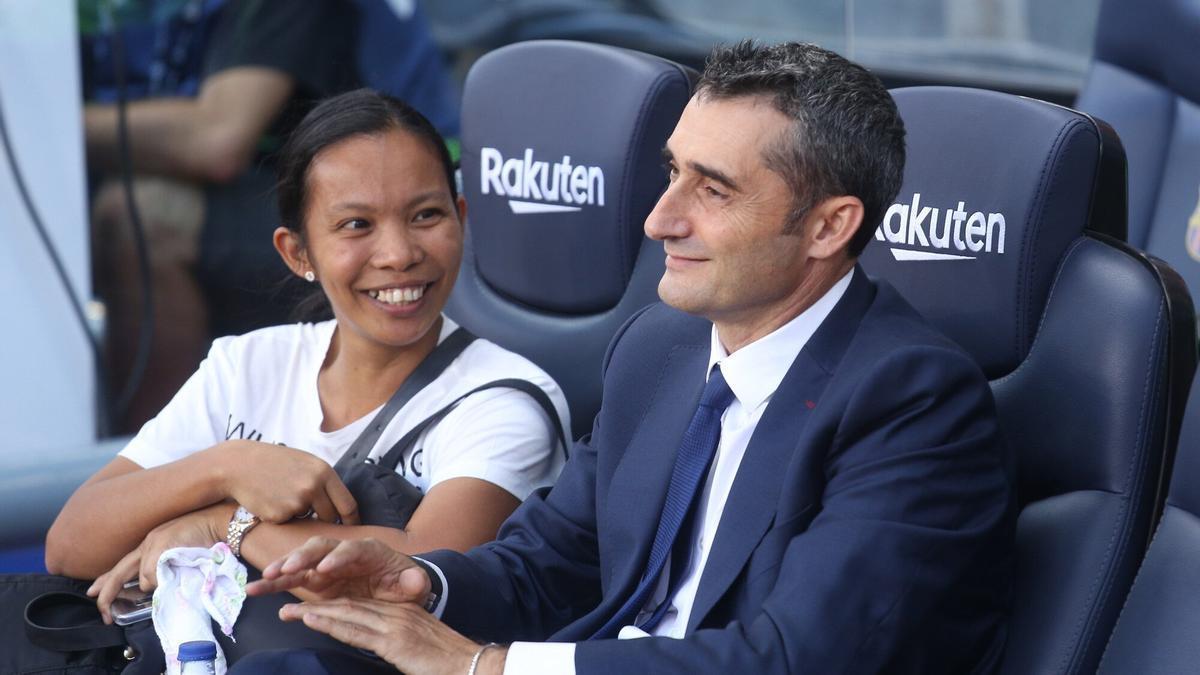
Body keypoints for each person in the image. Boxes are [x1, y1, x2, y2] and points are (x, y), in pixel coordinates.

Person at [239, 41, 1015, 675]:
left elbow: (797, 658)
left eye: (711, 191)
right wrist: (426, 582)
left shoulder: (914, 399)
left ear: (827, 227)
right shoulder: (660, 347)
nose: (657, 219)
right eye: (672, 172)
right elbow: (556, 558)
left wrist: (489, 669)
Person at [45, 89, 569, 627]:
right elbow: (71, 543)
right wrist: (226, 467)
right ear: (298, 253)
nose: (399, 254)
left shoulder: (502, 398)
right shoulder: (247, 364)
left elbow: (421, 570)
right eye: (356, 225)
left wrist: (222, 526)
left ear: (461, 219)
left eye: (426, 215)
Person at [83, 0, 359, 431]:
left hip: (377, 201)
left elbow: (217, 140)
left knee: (142, 214)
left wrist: (46, 127)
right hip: (279, 192)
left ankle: (156, 457)